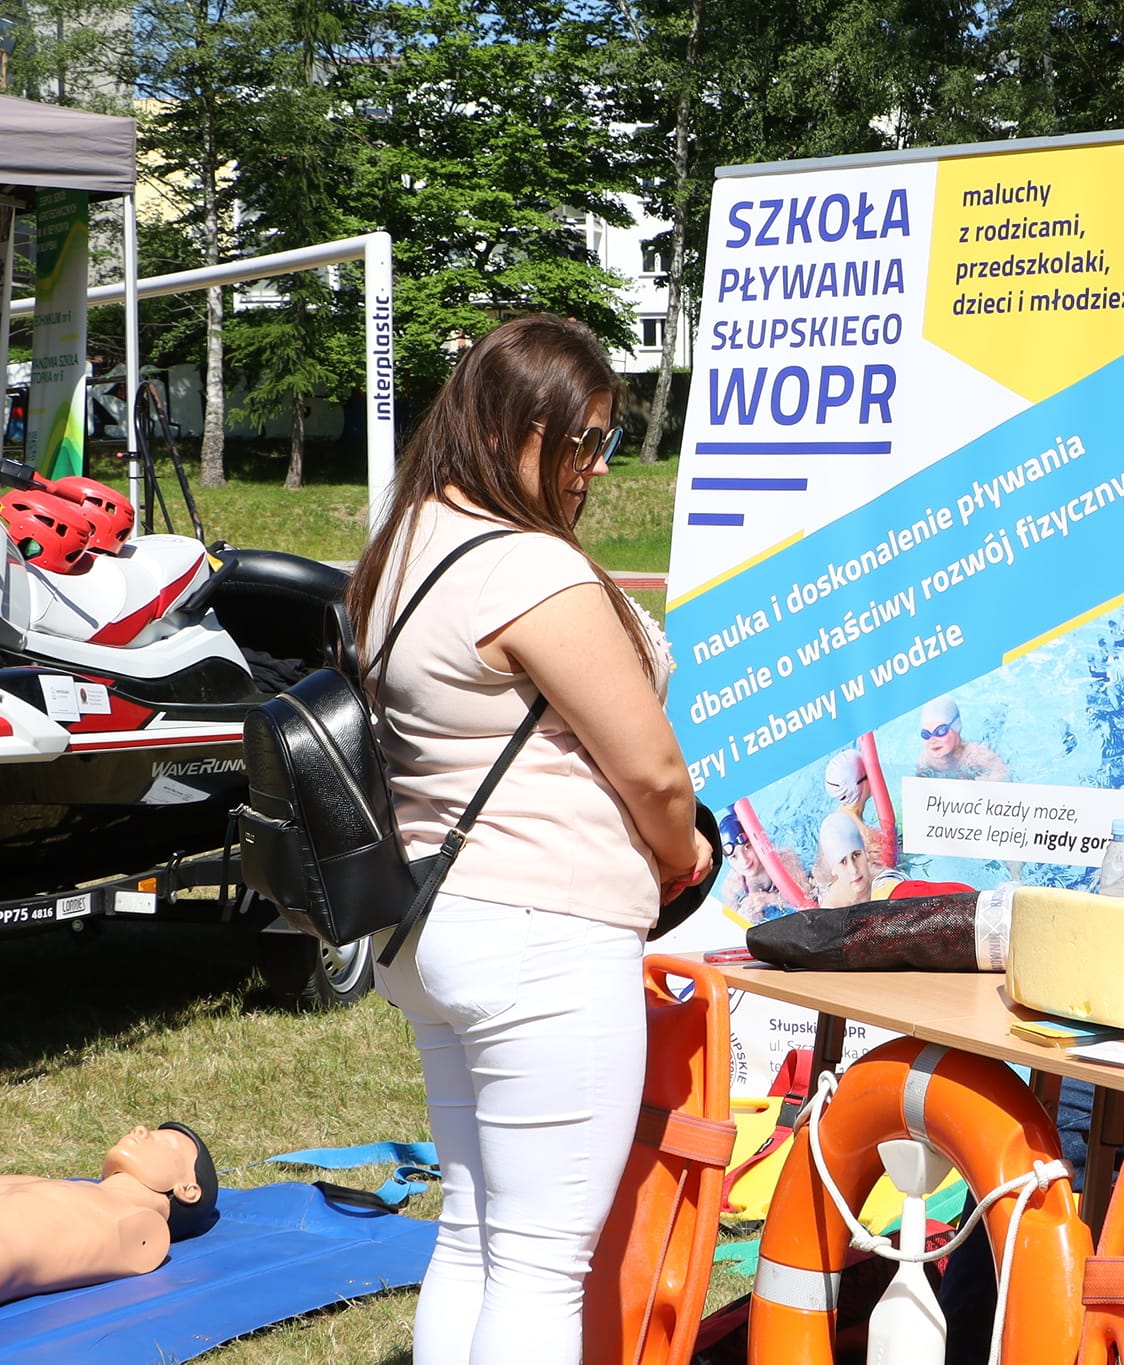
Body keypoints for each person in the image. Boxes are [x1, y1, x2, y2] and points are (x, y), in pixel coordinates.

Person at [347, 314, 713, 1365]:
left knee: (474, 1231)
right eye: (580, 441)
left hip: (435, 920)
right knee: (544, 1264)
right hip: (542, 936)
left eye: (605, 440)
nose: (594, 467)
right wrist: (681, 857)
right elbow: (652, 770)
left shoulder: (404, 542)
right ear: (515, 426)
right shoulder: (526, 568)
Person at [0, 1122, 219, 1305]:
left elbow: (18, 1253)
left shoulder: (135, 1227)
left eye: (165, 1143)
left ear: (188, 1190)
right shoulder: (66, 1188)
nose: (140, 1130)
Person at [718, 810, 811, 924]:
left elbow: (808, 900)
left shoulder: (785, 859)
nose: (744, 860)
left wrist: (769, 899)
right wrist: (747, 917)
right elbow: (733, 925)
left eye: (747, 847)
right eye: (734, 857)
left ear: (756, 842)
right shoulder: (731, 886)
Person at [913, 695, 1008, 781]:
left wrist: (985, 781)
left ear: (956, 726)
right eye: (926, 734)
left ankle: (999, 712)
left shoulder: (975, 754)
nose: (932, 740)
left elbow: (1003, 772)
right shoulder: (926, 759)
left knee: (992, 733)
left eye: (940, 731)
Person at [813, 809, 875, 908]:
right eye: (843, 861)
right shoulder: (832, 908)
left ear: (866, 854)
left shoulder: (882, 877)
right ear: (833, 868)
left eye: (856, 855)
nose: (854, 869)